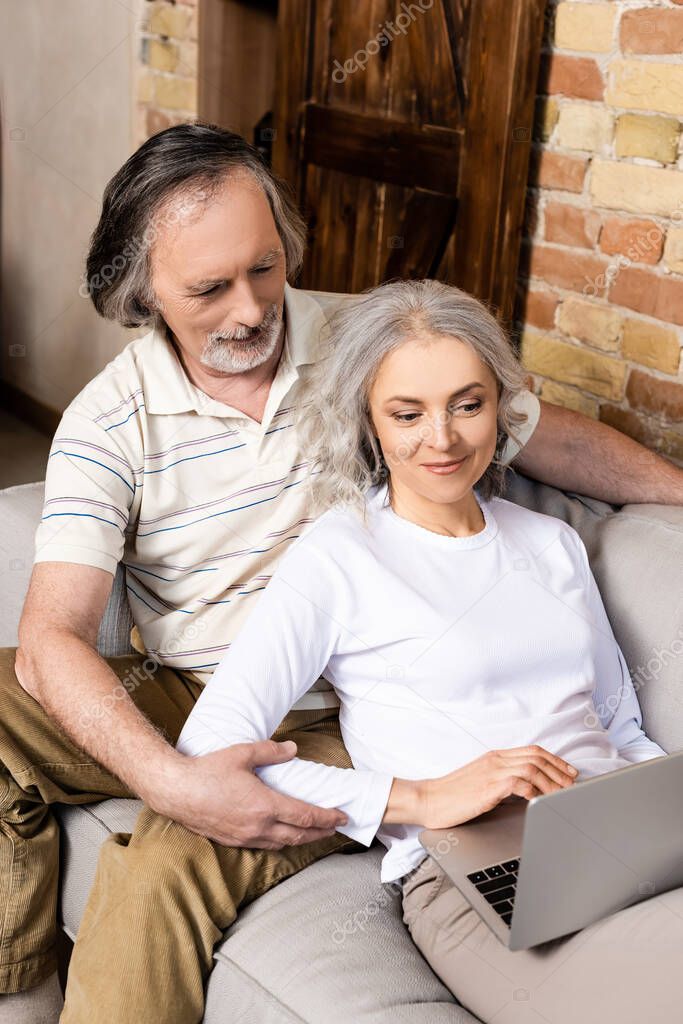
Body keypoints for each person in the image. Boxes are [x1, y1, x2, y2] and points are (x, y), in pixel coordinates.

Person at [1, 123, 681, 1024]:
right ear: (142, 291)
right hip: (184, 681)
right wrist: (170, 775)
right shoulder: (108, 422)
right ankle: (17, 980)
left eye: (264, 267)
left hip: (332, 706)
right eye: (208, 288)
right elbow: (52, 640)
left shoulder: (365, 342)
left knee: (163, 866)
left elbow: (539, 434)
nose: (249, 310)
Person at [175, 278, 680, 1024]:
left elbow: (621, 727)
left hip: (616, 837)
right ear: (369, 422)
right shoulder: (340, 556)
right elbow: (209, 747)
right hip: (477, 873)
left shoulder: (550, 543)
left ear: (501, 407)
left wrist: (661, 807)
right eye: (406, 414)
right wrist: (417, 799)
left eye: (466, 405)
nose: (439, 440)